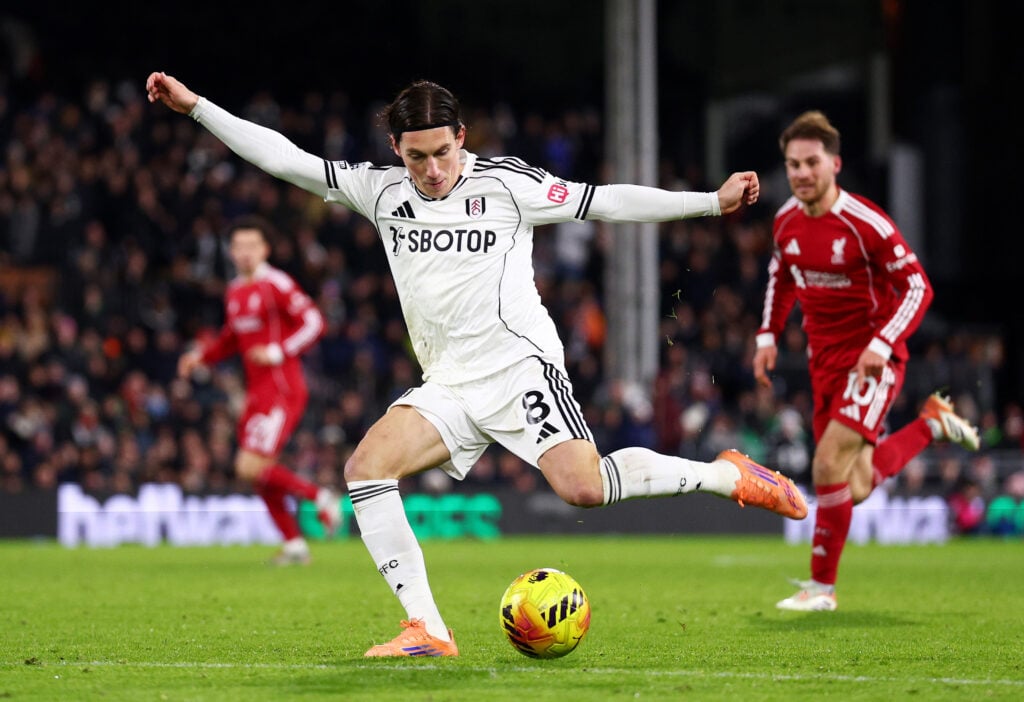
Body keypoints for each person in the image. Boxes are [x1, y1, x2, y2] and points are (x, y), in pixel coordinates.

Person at [147, 71, 808, 657]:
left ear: (461, 137)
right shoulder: (378, 192)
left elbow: (603, 199)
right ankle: (427, 629)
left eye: (442, 152)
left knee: (583, 487)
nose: (433, 169)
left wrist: (707, 203)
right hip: (450, 384)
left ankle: (727, 476)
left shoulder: (506, 184)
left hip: (519, 366)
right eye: (416, 157)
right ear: (395, 152)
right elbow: (285, 160)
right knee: (366, 469)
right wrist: (196, 108)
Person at [752, 110, 980, 612]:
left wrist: (881, 343)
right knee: (851, 485)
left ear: (834, 163)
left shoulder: (865, 224)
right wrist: (768, 333)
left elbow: (919, 285)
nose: (802, 173)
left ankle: (820, 590)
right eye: (793, 165)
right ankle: (930, 426)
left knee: (827, 462)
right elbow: (781, 273)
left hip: (871, 360)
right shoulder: (786, 219)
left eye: (812, 162)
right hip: (823, 363)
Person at [177, 214, 340, 565]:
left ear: (265, 249)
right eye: (239, 246)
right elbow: (231, 339)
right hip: (257, 393)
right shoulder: (235, 290)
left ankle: (321, 497)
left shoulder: (277, 284)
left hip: (282, 388)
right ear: (232, 252)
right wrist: (200, 357)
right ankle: (295, 546)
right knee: (256, 471)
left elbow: (314, 321)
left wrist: (278, 350)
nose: (246, 252)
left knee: (248, 465)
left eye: (252, 245)